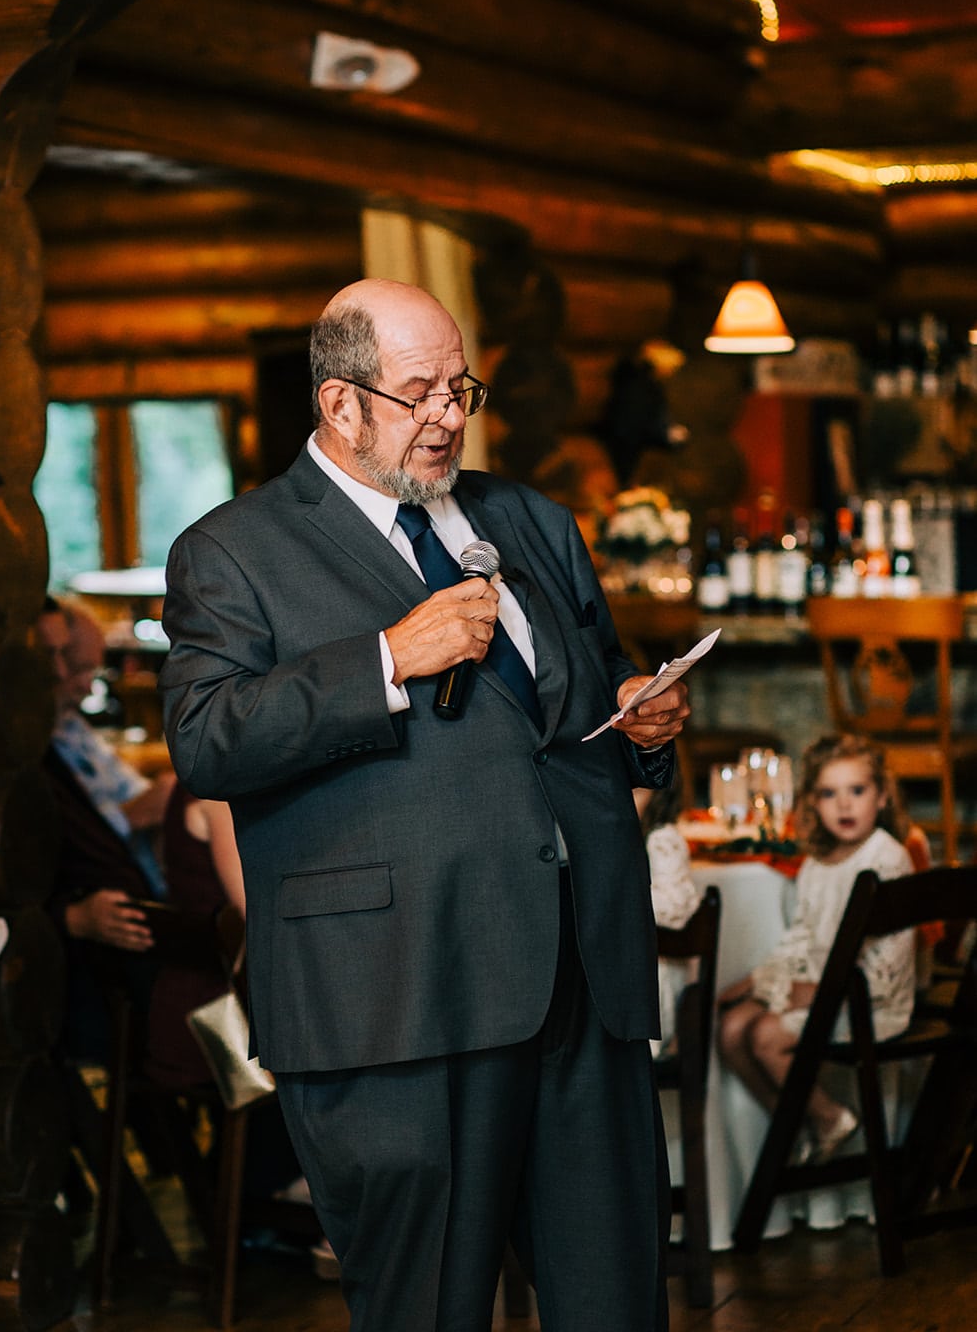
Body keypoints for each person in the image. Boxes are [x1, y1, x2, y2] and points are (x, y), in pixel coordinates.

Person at [158, 277, 690, 1332]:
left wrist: (637, 716)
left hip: (577, 978)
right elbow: (206, 738)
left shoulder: (527, 519)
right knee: (429, 1310)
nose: (450, 414)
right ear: (339, 403)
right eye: (420, 393)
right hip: (397, 997)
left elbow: (580, 688)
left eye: (461, 387)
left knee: (615, 1302)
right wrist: (385, 661)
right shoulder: (234, 551)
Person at [717, 732, 916, 1161]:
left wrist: (825, 990)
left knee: (767, 1037)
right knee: (732, 1031)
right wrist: (759, 981)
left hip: (871, 1002)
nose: (844, 805)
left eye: (857, 791)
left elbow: (888, 961)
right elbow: (801, 938)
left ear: (882, 797)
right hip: (822, 989)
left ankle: (829, 1117)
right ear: (812, 803)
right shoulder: (815, 866)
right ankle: (795, 1124)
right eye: (829, 793)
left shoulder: (887, 858)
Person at [37, 597, 171, 1061]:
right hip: (87, 959)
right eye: (75, 666)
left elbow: (131, 806)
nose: (65, 678)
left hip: (140, 911)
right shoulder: (24, 754)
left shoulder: (68, 728)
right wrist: (71, 916)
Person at [634, 785, 701, 1059]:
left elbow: (676, 906)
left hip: (656, 976)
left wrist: (618, 897)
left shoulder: (662, 838)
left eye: (635, 789)